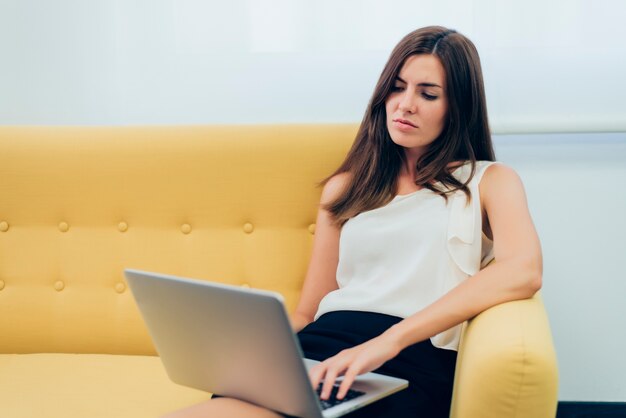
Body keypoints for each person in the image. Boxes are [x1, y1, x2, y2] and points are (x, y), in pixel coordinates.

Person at [165, 25, 542, 418]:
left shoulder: (490, 181)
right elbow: (308, 312)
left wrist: (388, 341)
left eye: (427, 93)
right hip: (321, 348)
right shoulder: (346, 187)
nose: (405, 104)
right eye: (397, 88)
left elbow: (523, 270)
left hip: (408, 359)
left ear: (458, 107)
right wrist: (250, 359)